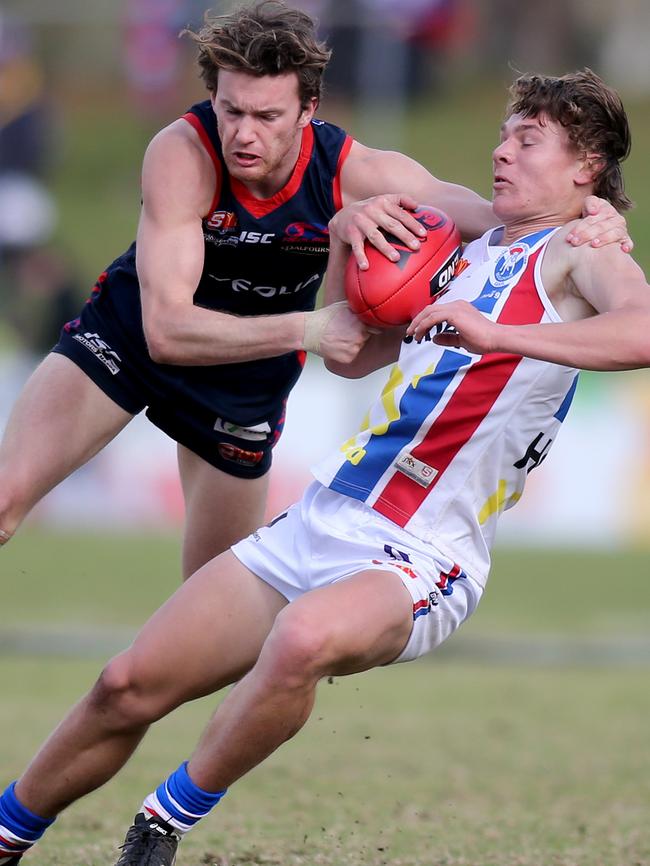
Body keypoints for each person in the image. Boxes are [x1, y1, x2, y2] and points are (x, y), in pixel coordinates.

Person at [0, 67, 647, 866]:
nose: (501, 150)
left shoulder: (578, 255)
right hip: (323, 516)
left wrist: (502, 334)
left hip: (423, 555)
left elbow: (641, 331)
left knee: (303, 639)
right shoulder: (469, 247)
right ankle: (5, 833)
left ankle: (160, 827)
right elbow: (354, 356)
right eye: (504, 132)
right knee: (125, 685)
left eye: (527, 139)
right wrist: (346, 239)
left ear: (585, 167)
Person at [0, 1, 630, 577]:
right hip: (128, 343)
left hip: (245, 381)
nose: (244, 134)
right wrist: (309, 330)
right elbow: (166, 329)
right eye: (231, 111)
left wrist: (594, 212)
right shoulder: (182, 152)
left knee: (216, 614)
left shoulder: (359, 172)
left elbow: (508, 217)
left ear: (308, 110)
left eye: (267, 116)